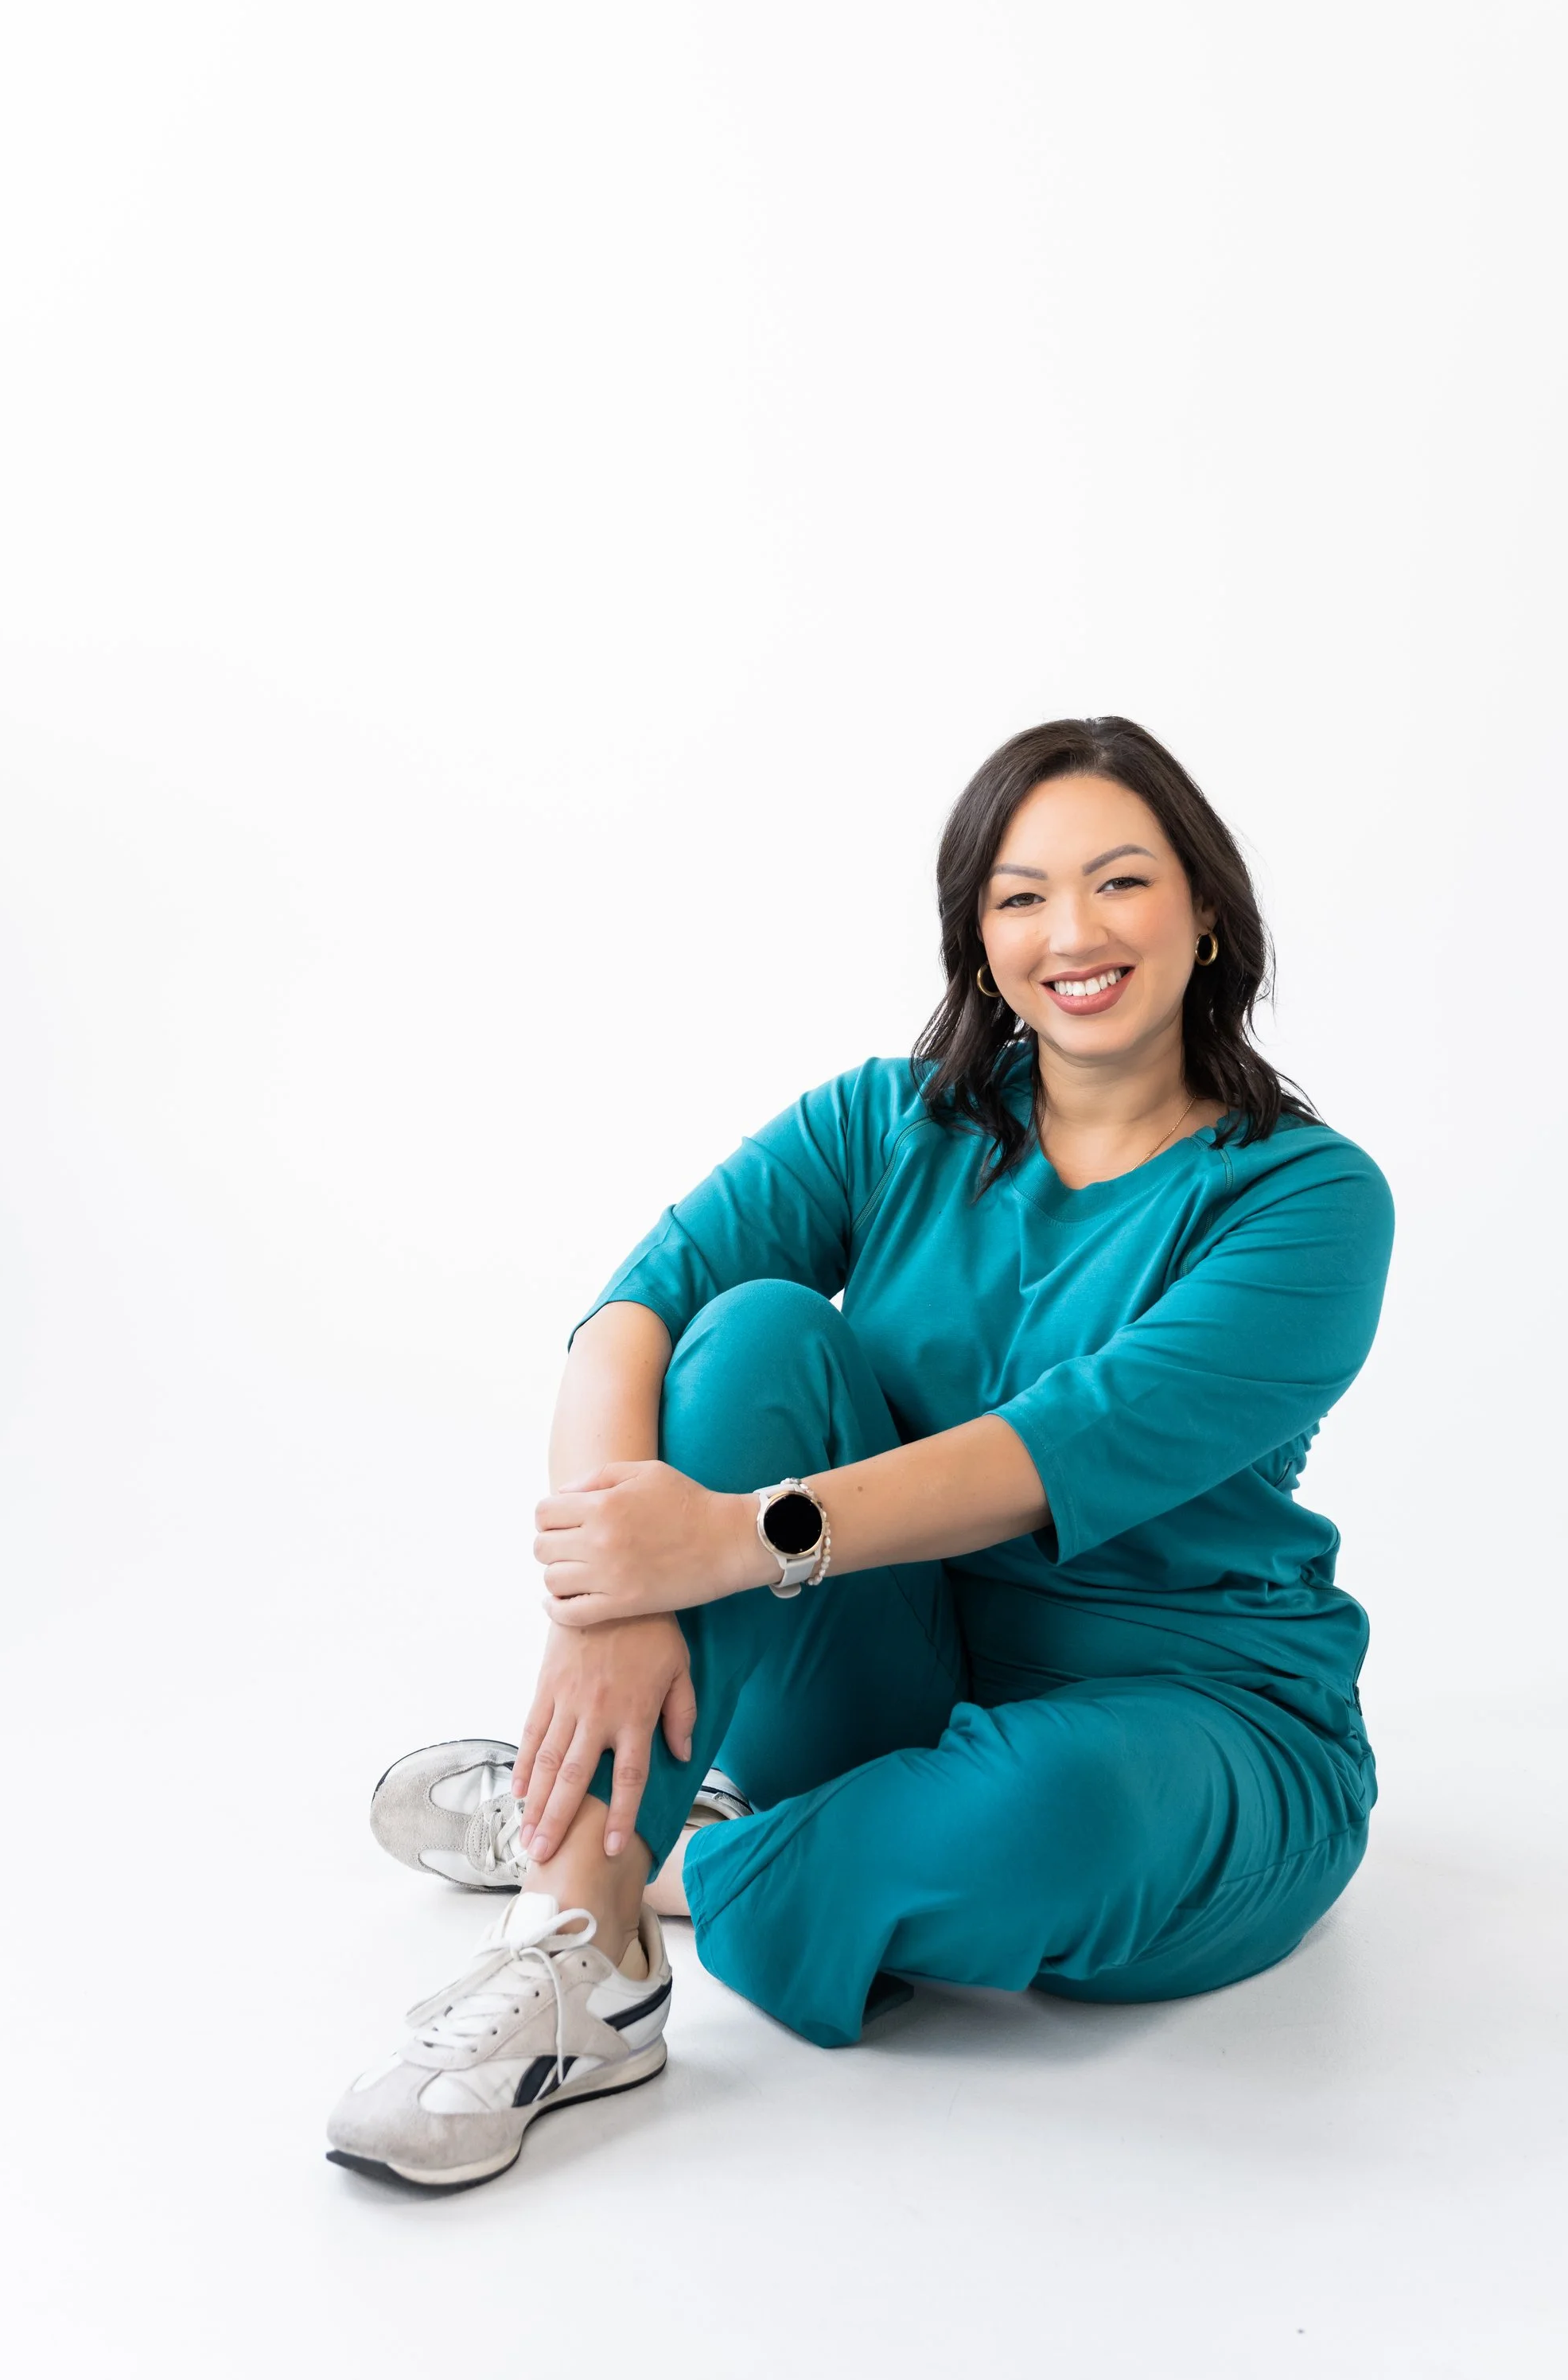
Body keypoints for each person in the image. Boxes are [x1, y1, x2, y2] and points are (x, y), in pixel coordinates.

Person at [325, 715, 1396, 2191]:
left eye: (1121, 882)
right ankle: (583, 1930)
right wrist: (615, 1606)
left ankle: (663, 1835)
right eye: (1020, 896)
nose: (1071, 932)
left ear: (1209, 910)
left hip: (1191, 1720)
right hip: (888, 1670)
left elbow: (1060, 1443)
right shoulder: (892, 1119)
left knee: (1048, 1813)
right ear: (975, 935)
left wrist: (727, 1544)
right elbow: (627, 1318)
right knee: (754, 1332)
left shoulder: (1309, 1200)